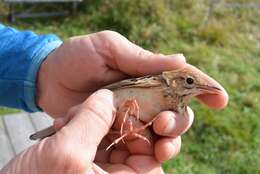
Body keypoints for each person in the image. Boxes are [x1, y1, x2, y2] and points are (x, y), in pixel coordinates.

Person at [0, 24, 228, 174]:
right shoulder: (158, 82)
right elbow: (116, 90)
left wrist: (44, 71)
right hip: (106, 100)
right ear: (175, 81)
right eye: (189, 81)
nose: (193, 87)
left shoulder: (177, 107)